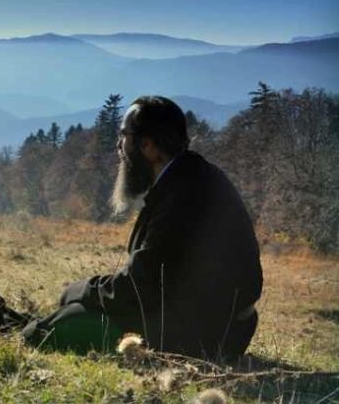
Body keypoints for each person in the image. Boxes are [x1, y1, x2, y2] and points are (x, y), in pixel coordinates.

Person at [23, 96, 263, 360]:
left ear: (148, 146)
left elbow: (140, 288)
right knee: (73, 311)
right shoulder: (191, 176)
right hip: (217, 324)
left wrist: (84, 290)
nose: (119, 145)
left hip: (202, 335)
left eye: (124, 136)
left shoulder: (183, 195)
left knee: (59, 326)